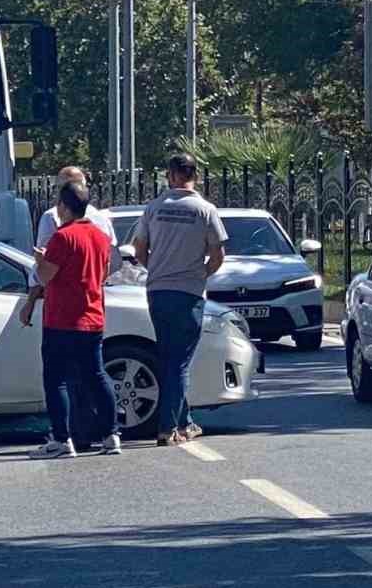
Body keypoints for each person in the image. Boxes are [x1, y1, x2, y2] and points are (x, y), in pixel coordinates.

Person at [132, 153, 227, 446]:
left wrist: (158, 268)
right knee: (180, 361)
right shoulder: (205, 209)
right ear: (194, 175)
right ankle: (168, 427)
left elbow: (139, 250)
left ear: (170, 176)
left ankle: (185, 422)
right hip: (189, 293)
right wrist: (199, 274)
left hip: (158, 292)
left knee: (169, 358)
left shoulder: (154, 208)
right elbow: (218, 254)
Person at [25, 182, 123, 458]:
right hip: (92, 315)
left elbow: (45, 275)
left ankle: (60, 438)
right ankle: (111, 434)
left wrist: (39, 259)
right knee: (96, 375)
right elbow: (102, 273)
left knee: (56, 379)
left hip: (62, 318)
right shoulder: (100, 237)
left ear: (64, 206)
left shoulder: (62, 237)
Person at [21, 166, 119, 330]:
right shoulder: (102, 222)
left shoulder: (56, 223)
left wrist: (30, 301)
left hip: (62, 315)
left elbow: (44, 274)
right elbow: (109, 265)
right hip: (94, 312)